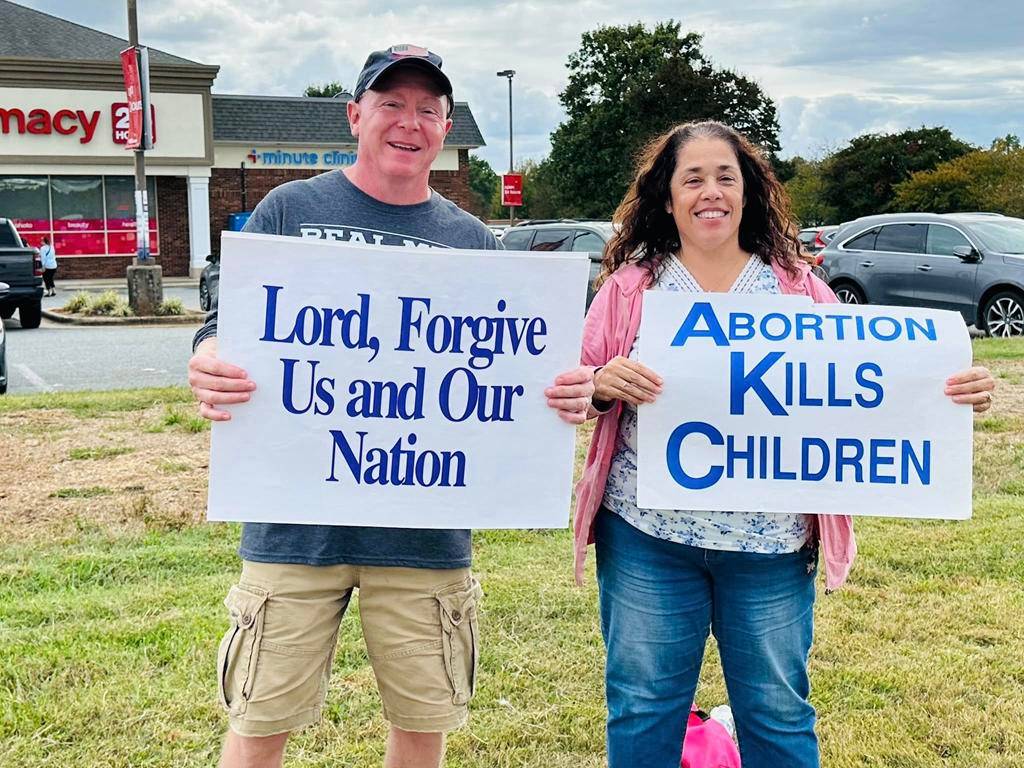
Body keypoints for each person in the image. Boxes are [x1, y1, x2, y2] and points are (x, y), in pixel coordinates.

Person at [187, 44, 594, 768]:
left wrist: (563, 390)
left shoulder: (472, 239)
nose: (411, 122)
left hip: (424, 536)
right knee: (256, 726)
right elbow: (226, 318)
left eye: (428, 110)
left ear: (444, 130)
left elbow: (513, 365)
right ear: (355, 116)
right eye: (392, 104)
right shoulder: (291, 210)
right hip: (295, 527)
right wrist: (209, 354)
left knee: (420, 729)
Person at [572, 120, 996, 768]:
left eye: (726, 177)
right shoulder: (632, 290)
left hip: (768, 550)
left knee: (777, 718)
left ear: (747, 193)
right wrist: (602, 385)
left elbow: (862, 386)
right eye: (693, 178)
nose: (710, 191)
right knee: (642, 713)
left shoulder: (797, 289)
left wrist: (946, 390)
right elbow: (570, 393)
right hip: (648, 543)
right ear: (666, 197)